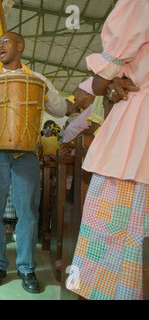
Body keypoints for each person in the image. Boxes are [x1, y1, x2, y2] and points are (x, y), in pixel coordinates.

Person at [0, 32, 67, 293]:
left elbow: (61, 109)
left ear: (20, 45)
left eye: (5, 41)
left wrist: (42, 91)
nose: (0, 45)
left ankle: (26, 268)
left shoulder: (36, 79)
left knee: (27, 210)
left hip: (25, 153)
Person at [68, 0, 147, 300]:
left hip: (137, 132)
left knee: (113, 238)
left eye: (78, 96)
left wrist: (109, 81)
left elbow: (102, 80)